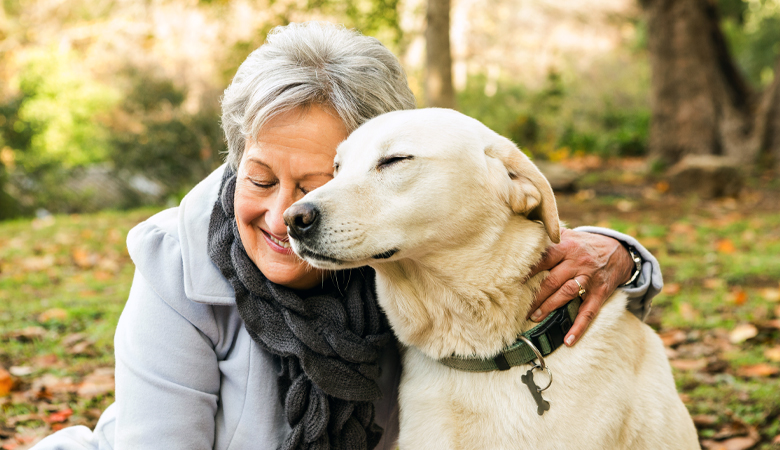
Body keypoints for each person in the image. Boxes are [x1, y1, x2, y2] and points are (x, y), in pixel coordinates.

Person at [32, 22, 662, 450]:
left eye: (319, 180)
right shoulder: (177, 262)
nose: (289, 214)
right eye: (257, 178)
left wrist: (621, 253)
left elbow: (490, 226)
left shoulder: (395, 256)